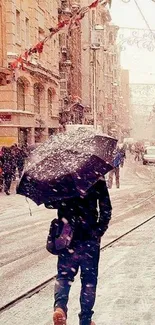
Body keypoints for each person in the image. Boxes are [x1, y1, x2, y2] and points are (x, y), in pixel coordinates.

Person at [49, 177, 112, 325]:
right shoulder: (95, 177)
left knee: (64, 276)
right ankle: (85, 319)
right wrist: (99, 230)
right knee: (89, 280)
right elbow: (106, 208)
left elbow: (50, 203)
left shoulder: (61, 177)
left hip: (66, 236)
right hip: (89, 237)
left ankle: (60, 307)